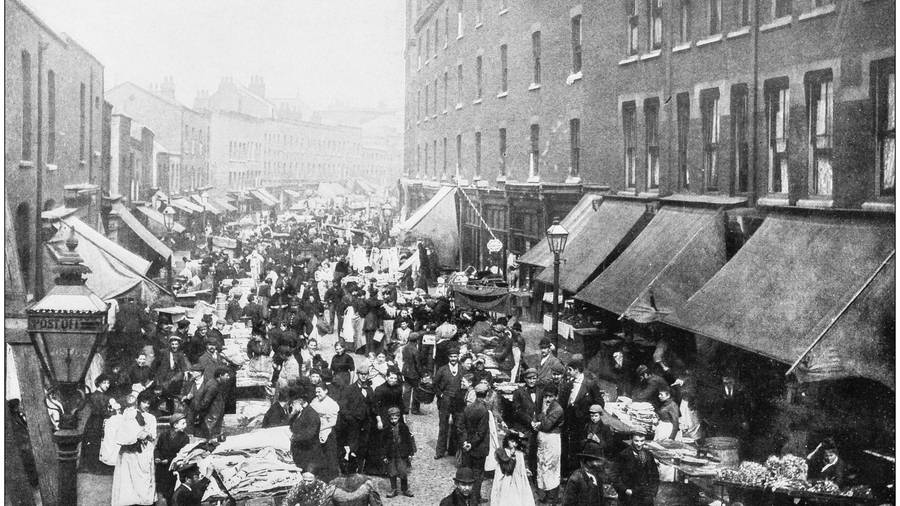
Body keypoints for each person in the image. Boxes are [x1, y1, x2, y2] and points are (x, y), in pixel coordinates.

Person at [111, 389, 157, 506]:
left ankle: (144, 500)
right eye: (144, 402)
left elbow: (153, 435)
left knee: (143, 477)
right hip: (129, 451)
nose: (146, 405)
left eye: (148, 403)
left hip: (143, 450)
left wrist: (147, 435)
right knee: (128, 477)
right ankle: (129, 501)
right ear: (138, 402)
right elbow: (123, 430)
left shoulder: (151, 418)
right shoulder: (129, 413)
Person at [560, 358, 605, 475]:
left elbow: (600, 402)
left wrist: (591, 415)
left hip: (583, 423)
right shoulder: (569, 384)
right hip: (569, 421)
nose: (568, 372)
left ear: (577, 370)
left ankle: (579, 472)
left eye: (570, 370)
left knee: (580, 447)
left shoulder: (590, 384)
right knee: (568, 446)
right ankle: (567, 472)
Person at [459, 382, 491, 504]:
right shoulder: (484, 411)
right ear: (486, 394)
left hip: (467, 447)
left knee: (469, 474)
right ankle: (475, 500)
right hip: (479, 448)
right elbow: (481, 432)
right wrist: (472, 444)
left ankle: (469, 498)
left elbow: (461, 427)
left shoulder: (468, 408)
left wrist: (465, 442)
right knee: (478, 475)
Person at [534, 384, 564, 504]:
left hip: (552, 439)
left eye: (551, 396)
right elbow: (539, 417)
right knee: (542, 464)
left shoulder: (557, 409)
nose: (547, 399)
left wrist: (539, 424)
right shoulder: (546, 406)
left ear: (556, 396)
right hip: (543, 439)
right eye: (546, 396)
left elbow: (546, 425)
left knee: (551, 466)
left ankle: (552, 497)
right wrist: (540, 419)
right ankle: (544, 494)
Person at [511, 368, 542, 478]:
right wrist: (530, 421)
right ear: (525, 379)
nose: (532, 381)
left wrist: (538, 421)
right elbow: (517, 410)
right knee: (523, 451)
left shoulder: (540, 391)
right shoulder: (519, 392)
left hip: (537, 427)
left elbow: (542, 408)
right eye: (529, 379)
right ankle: (520, 476)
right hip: (523, 427)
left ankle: (533, 476)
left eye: (534, 378)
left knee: (535, 452)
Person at [433, 346, 463, 459]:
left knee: (457, 424)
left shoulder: (462, 369)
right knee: (443, 426)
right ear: (448, 357)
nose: (453, 359)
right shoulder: (442, 369)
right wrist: (440, 395)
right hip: (445, 400)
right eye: (451, 357)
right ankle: (440, 451)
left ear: (458, 357)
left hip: (458, 401)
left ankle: (452, 450)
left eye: (455, 356)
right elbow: (434, 384)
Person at [490, 433, 536, 506]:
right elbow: (508, 469)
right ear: (507, 441)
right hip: (506, 479)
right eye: (511, 441)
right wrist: (512, 456)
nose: (514, 444)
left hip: (518, 479)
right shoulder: (502, 452)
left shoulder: (519, 453)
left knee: (519, 497)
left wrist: (525, 469)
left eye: (515, 442)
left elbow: (521, 465)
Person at [560, 440, 611, 506]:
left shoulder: (597, 478)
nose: (600, 464)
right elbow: (568, 503)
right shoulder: (576, 479)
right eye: (598, 461)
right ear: (589, 461)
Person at [614, 432, 659, 506]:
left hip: (645, 496)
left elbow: (655, 475)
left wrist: (652, 492)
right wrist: (625, 490)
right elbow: (615, 476)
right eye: (636, 441)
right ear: (631, 440)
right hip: (629, 496)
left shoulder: (648, 455)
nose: (639, 444)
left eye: (642, 441)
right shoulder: (623, 455)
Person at [282, 470, 376, 506]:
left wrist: (365, 488)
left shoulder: (326, 489)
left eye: (310, 481)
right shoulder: (300, 485)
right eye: (304, 480)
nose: (306, 483)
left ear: (316, 479)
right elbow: (288, 499)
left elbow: (350, 497)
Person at [381, 406, 416, 498]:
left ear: (399, 417)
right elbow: (383, 443)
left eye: (395, 418)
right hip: (391, 454)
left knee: (403, 470)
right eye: (391, 418)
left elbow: (408, 441)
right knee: (392, 471)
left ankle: (405, 489)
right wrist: (383, 456)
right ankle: (394, 489)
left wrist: (410, 453)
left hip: (402, 453)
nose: (393, 420)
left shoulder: (403, 427)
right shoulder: (386, 429)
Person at [155, 413, 190, 505]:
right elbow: (157, 448)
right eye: (183, 423)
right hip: (161, 468)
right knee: (160, 490)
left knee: (171, 492)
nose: (185, 426)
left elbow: (182, 454)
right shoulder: (163, 435)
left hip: (173, 469)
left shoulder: (185, 438)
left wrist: (169, 460)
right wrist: (157, 457)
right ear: (175, 425)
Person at [310, 382, 341, 483]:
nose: (317, 394)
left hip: (328, 433)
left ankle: (331, 482)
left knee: (330, 459)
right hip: (315, 433)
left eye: (319, 392)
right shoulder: (315, 401)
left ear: (326, 391)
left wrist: (320, 428)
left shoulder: (332, 404)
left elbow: (333, 422)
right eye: (316, 392)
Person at [290, 391, 326, 476]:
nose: (292, 406)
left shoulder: (312, 414)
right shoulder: (300, 412)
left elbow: (310, 435)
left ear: (299, 402)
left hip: (310, 455)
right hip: (302, 454)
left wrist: (293, 437)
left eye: (293, 403)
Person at [82, 374, 112, 472]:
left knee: (97, 443)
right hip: (95, 422)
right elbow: (102, 411)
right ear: (99, 383)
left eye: (108, 383)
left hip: (98, 420)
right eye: (104, 383)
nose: (107, 385)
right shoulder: (97, 396)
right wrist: (113, 412)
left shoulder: (102, 395)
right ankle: (93, 467)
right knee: (94, 443)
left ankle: (95, 466)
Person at [196, 367, 230, 439]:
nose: (228, 377)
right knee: (211, 437)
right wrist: (202, 414)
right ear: (220, 375)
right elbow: (205, 401)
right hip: (212, 417)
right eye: (227, 375)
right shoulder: (213, 386)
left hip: (215, 416)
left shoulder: (216, 383)